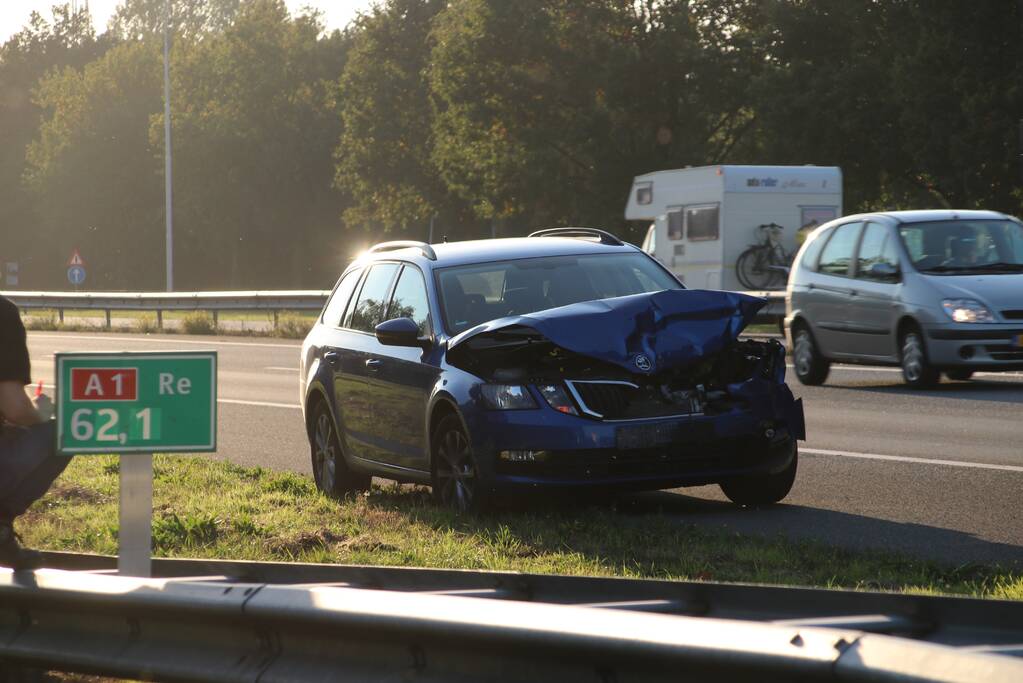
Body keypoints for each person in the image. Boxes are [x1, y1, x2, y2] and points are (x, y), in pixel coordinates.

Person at [0, 295, 69, 569]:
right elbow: (16, 408)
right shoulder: (2, 314)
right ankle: (1, 528)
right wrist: (40, 413)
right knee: (68, 432)